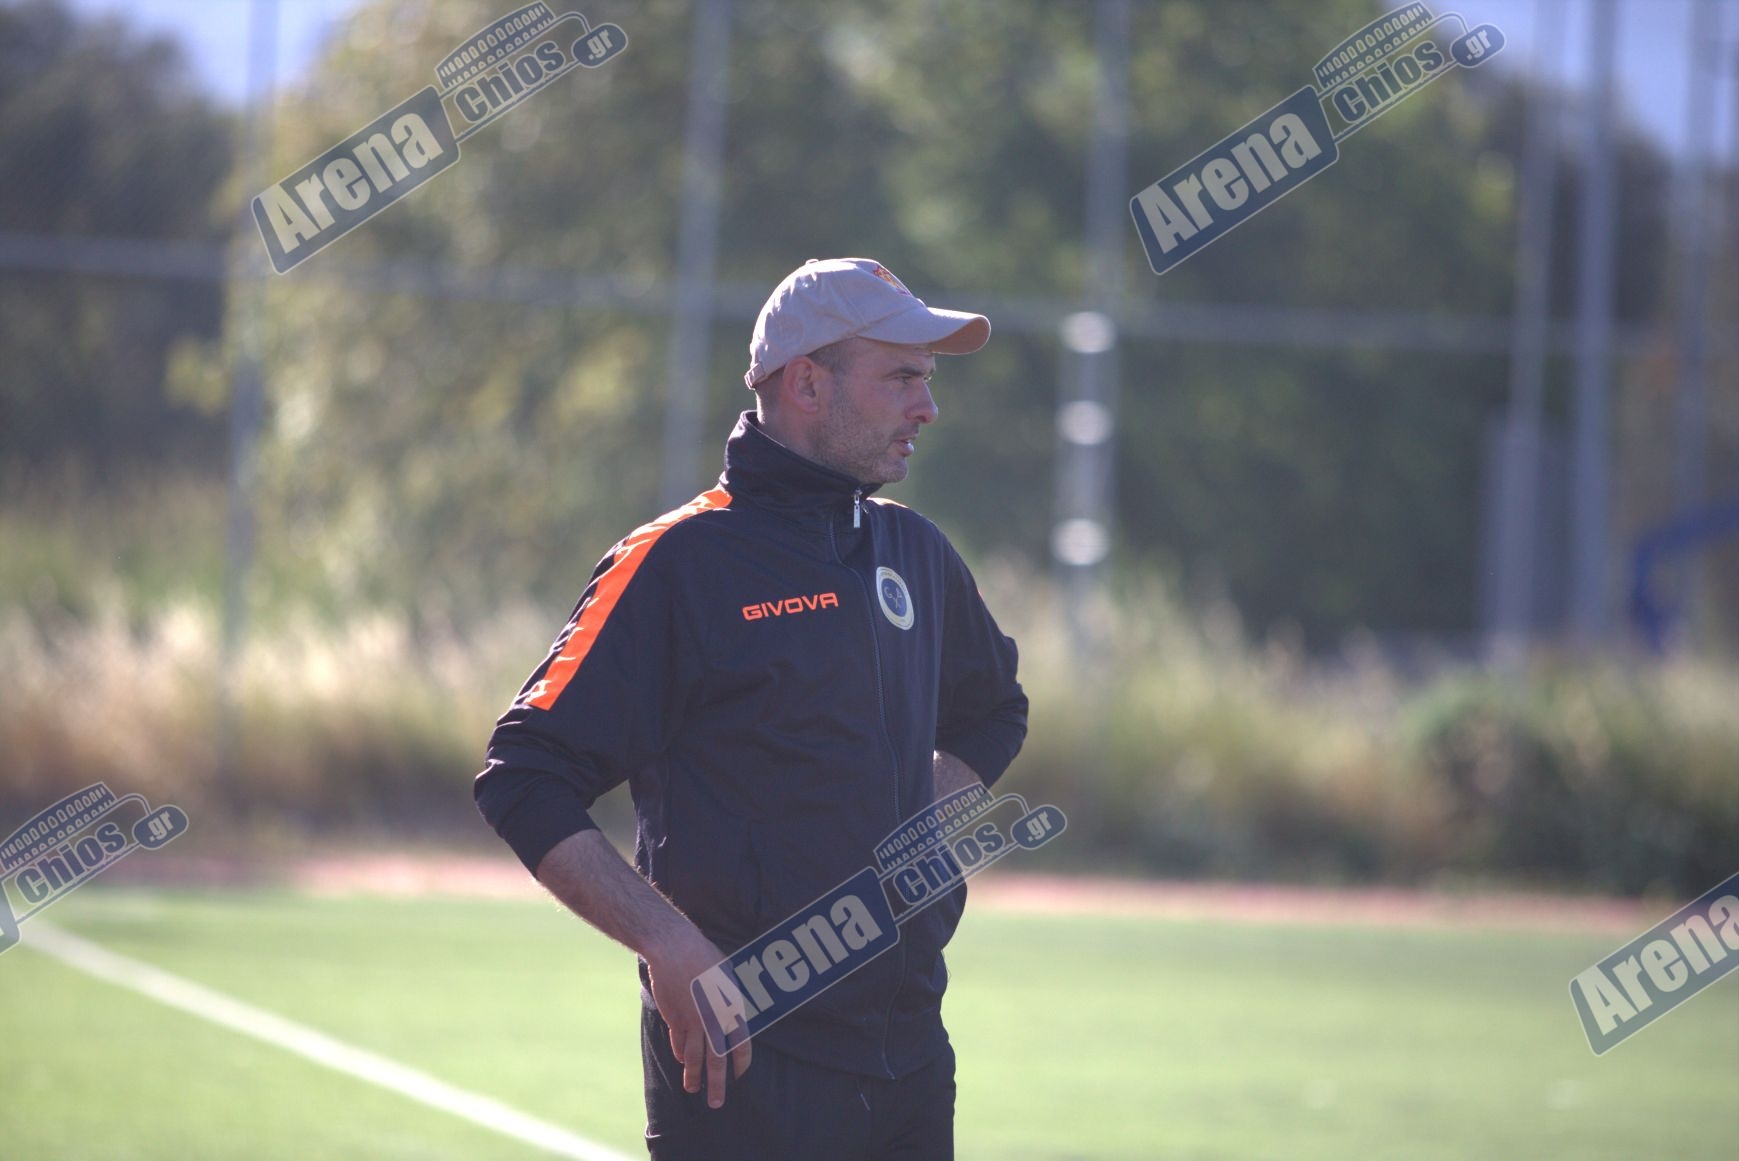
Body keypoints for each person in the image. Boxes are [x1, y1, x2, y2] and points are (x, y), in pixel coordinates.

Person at [475, 257, 1028, 1160]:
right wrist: (667, 943)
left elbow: (992, 710)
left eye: (927, 380)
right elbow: (523, 775)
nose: (926, 407)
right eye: (900, 378)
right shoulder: (678, 563)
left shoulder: (915, 551)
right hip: (743, 1067)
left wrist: (922, 823)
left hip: (912, 1058)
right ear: (807, 383)